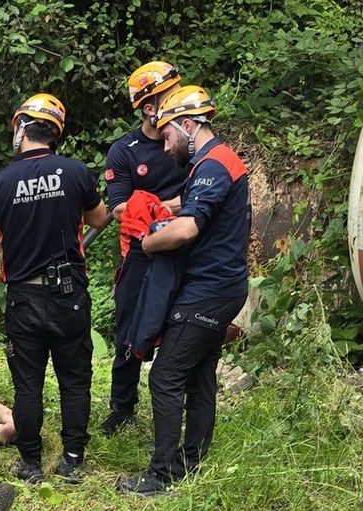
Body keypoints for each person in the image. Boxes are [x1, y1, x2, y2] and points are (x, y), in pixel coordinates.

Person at [117, 85, 251, 495]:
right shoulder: (213, 164)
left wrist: (148, 241)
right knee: (199, 375)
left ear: (188, 126)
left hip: (208, 290)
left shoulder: (213, 166)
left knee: (165, 376)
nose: (165, 146)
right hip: (222, 287)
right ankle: (191, 462)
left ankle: (159, 475)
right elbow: (188, 207)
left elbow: (188, 229)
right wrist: (159, 207)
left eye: (168, 136)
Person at [0, 93, 108, 484]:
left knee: (27, 383)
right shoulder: (76, 172)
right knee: (75, 379)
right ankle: (72, 461)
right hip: (69, 294)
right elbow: (100, 218)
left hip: (24, 297)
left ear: (20, 126)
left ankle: (30, 463)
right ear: (55, 133)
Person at [102, 61, 185, 435]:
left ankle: (178, 406)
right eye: (169, 96)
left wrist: (155, 207)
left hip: (184, 245)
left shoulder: (187, 141)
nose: (177, 100)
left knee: (182, 326)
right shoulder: (125, 151)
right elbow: (119, 207)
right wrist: (167, 207)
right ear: (149, 107)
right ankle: (122, 408)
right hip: (139, 251)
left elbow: (206, 191)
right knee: (129, 330)